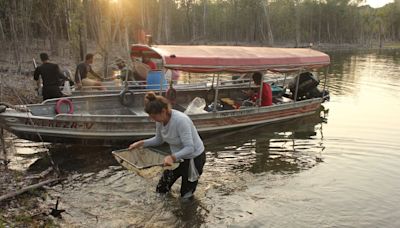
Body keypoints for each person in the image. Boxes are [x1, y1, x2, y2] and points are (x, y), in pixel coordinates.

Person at [129, 92, 206, 199]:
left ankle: (187, 213)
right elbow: (158, 140)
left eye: (154, 116)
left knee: (186, 196)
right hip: (177, 159)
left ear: (164, 111)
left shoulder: (181, 121)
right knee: (161, 188)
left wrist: (171, 157)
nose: (152, 119)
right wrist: (141, 143)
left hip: (193, 159)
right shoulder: (160, 120)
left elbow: (190, 147)